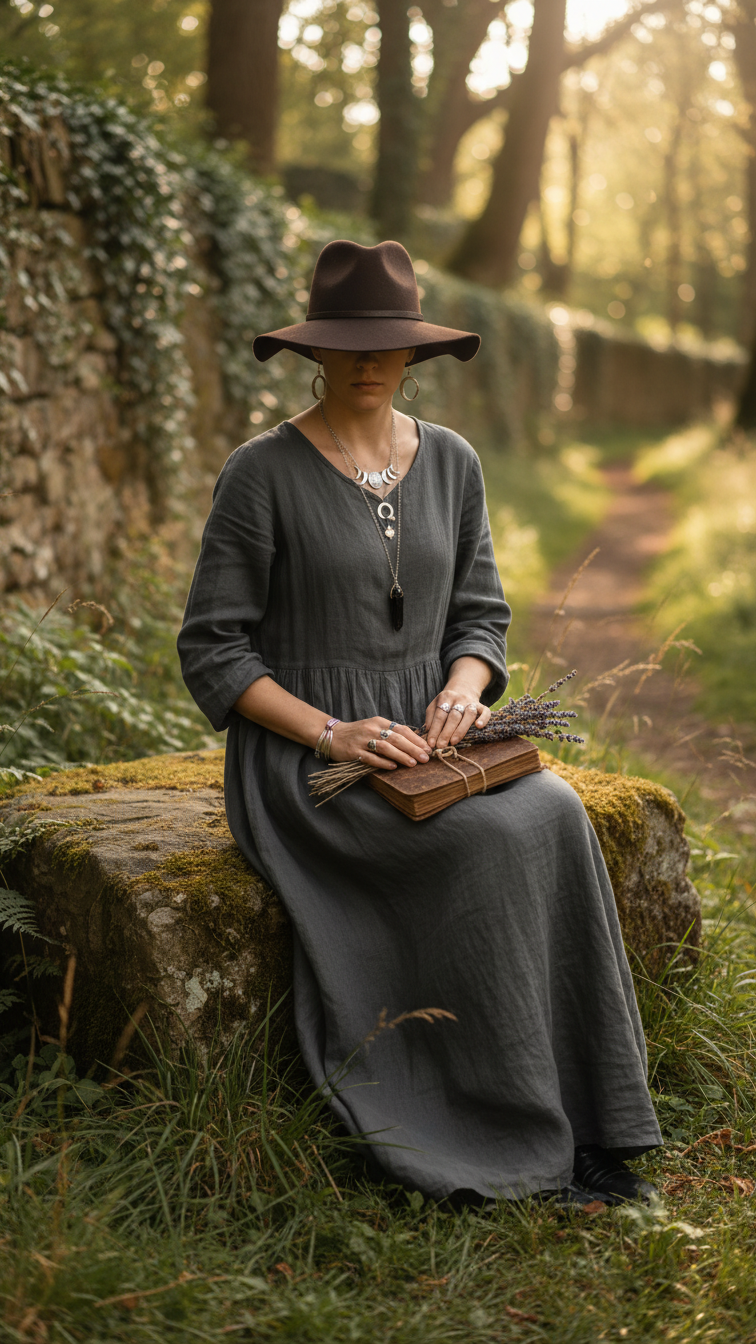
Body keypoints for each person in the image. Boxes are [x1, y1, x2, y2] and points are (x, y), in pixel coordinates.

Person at [178, 239, 662, 1208]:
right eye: (349, 343)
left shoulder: (452, 462)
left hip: (434, 739)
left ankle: (597, 1124)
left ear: (415, 353)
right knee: (484, 848)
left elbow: (480, 615)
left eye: (387, 344)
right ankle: (508, 1135)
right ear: (316, 349)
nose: (368, 361)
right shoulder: (260, 473)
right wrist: (334, 733)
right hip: (312, 763)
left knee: (557, 818)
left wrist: (465, 690)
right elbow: (215, 654)